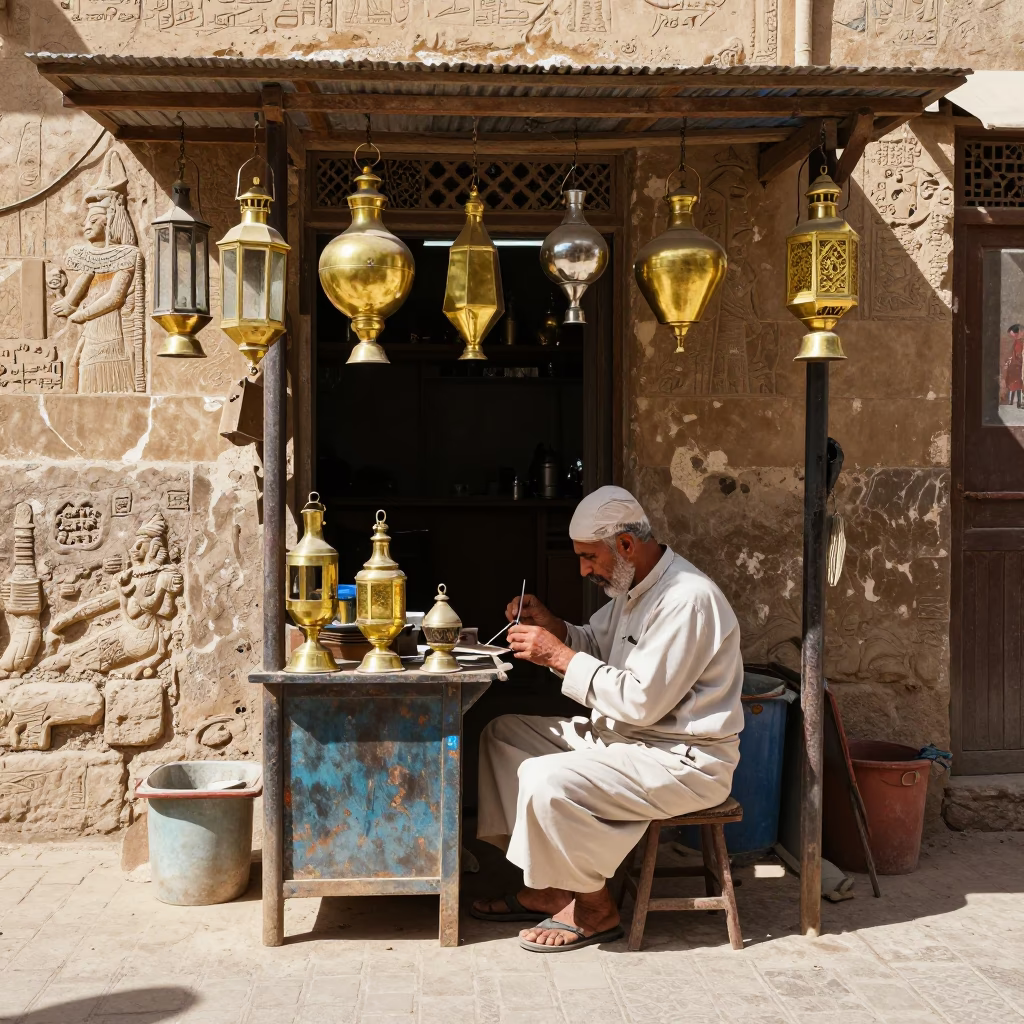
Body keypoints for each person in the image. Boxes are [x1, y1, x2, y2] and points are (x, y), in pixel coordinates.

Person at [473, 485, 744, 952]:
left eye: (587, 557)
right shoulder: (632, 586)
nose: (583, 569)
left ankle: (595, 908)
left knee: (545, 778)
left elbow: (641, 702)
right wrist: (555, 628)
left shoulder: (686, 599)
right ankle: (554, 885)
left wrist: (557, 656)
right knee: (503, 736)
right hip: (626, 739)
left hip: (681, 759)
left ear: (624, 545)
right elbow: (596, 645)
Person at [1005, 324, 1023, 410]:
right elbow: (1014, 354)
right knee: (1014, 382)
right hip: (1016, 366)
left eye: (1013, 335)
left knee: (1018, 383)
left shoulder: (1020, 342)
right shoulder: (1017, 342)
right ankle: (1014, 402)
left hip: (1019, 366)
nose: (1012, 337)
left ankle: (1018, 402)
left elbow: (1019, 355)